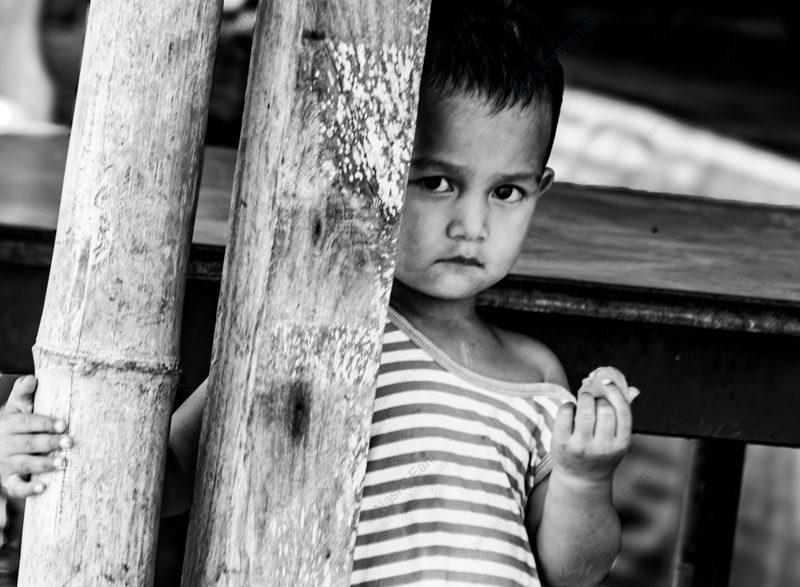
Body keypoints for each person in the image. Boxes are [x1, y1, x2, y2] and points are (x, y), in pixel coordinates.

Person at [0, 1, 641, 585]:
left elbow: (573, 572)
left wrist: (587, 476)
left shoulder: (535, 375)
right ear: (376, 165)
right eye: (437, 182)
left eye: (506, 193)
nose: (470, 226)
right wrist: (40, 448)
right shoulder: (305, 333)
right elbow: (167, 477)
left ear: (541, 190)